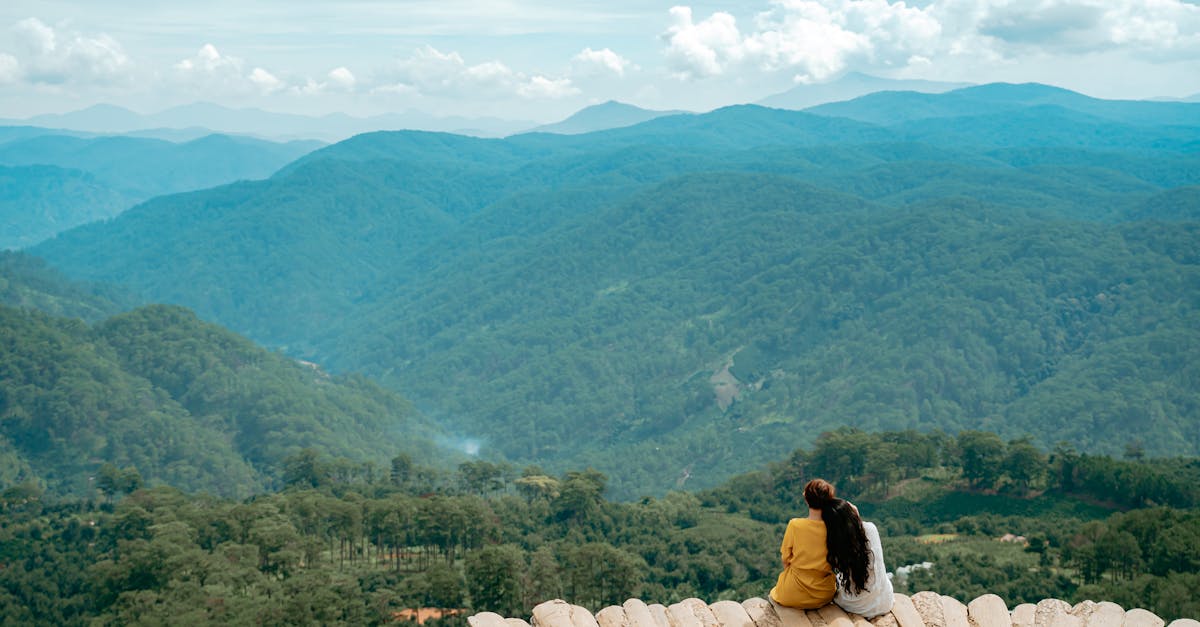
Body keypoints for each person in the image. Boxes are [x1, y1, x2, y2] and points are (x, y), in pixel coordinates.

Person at [769, 479, 837, 608]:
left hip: (792, 593)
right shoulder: (834, 527)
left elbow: (785, 558)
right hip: (823, 594)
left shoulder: (795, 525)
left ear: (806, 499)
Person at [825, 499, 894, 618]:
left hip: (855, 606)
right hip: (884, 602)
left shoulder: (834, 542)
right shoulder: (871, 529)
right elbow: (859, 533)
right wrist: (856, 516)